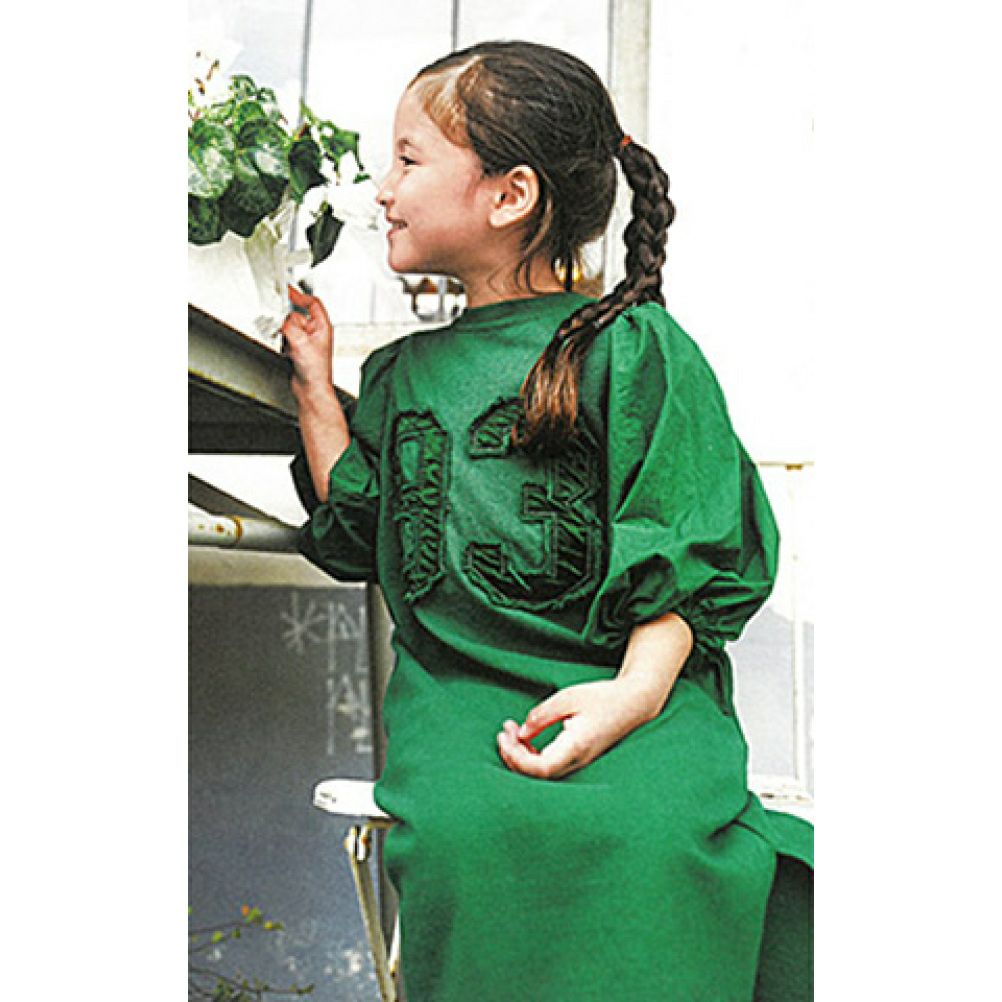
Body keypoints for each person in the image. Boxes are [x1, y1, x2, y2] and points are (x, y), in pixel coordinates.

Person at [282, 39, 813, 1002]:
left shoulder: (639, 349)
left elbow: (688, 543)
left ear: (509, 195)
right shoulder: (402, 376)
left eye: (408, 160)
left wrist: (629, 697)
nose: (382, 189)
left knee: (662, 838)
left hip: (641, 695)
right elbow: (357, 529)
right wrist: (317, 390)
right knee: (475, 836)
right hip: (464, 713)